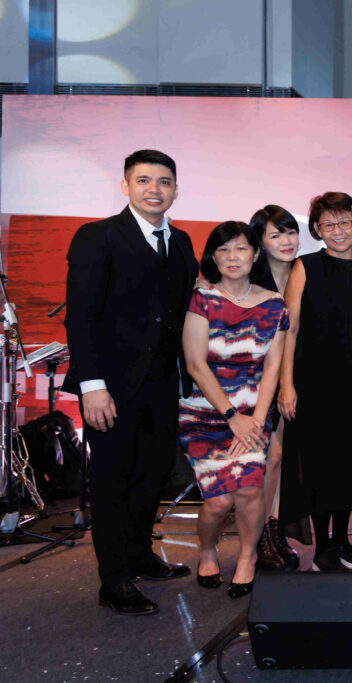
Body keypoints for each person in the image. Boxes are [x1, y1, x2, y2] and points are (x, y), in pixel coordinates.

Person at [64, 149, 199, 616]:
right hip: (111, 387)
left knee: (152, 474)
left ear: (175, 189)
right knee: (112, 480)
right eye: (143, 180)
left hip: (162, 385)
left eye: (163, 181)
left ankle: (140, 554)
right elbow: (81, 316)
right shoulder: (97, 236)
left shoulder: (181, 242)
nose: (153, 190)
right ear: (125, 186)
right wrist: (92, 385)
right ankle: (114, 578)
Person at [179, 221, 289, 598]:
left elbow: (273, 367)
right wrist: (232, 418)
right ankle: (207, 549)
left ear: (256, 254)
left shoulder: (275, 304)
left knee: (249, 493)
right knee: (218, 501)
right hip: (204, 414)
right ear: (212, 257)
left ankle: (247, 558)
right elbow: (195, 365)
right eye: (223, 249)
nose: (232, 257)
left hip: (254, 413)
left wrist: (256, 421)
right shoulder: (203, 299)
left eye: (240, 248)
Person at [276, 193, 352, 572]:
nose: (337, 231)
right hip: (313, 382)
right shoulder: (306, 266)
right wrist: (287, 384)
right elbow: (289, 329)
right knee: (319, 465)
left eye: (344, 222)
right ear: (317, 229)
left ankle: (343, 541)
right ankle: (322, 549)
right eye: (328, 225)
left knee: (349, 464)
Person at [247, 205, 301, 570]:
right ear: (260, 242)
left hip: (294, 379)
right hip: (254, 384)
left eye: (291, 232)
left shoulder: (304, 272)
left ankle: (275, 528)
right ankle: (259, 535)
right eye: (275, 234)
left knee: (284, 458)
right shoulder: (249, 280)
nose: (286, 241)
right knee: (269, 459)